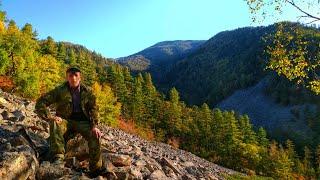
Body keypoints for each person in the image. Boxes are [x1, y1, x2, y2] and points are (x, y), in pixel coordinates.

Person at [35, 66, 104, 176]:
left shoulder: (88, 92)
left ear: (80, 77)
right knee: (54, 122)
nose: (73, 78)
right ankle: (58, 157)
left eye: (76, 75)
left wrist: (94, 125)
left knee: (95, 135)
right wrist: (49, 117)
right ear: (67, 77)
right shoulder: (60, 90)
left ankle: (96, 168)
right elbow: (41, 102)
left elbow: (94, 109)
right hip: (66, 121)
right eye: (70, 75)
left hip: (83, 122)